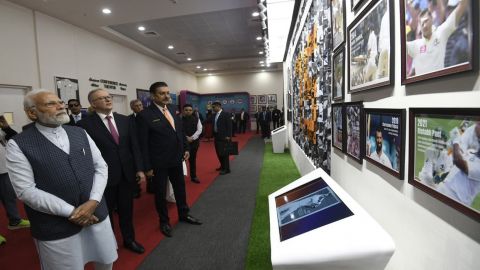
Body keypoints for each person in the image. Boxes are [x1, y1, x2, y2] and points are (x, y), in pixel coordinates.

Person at [6, 89, 117, 269]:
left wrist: (93, 201)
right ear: (32, 113)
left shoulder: (80, 133)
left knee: (105, 260)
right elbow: (25, 190)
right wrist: (72, 212)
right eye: (51, 104)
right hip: (56, 225)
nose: (61, 106)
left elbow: (100, 167)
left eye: (60, 102)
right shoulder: (18, 144)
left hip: (96, 214)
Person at [77, 89, 146, 254]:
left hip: (126, 174)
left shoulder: (125, 120)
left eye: (108, 97)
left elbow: (134, 146)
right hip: (102, 178)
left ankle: (129, 240)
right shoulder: (84, 125)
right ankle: (109, 242)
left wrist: (140, 169)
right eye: (101, 98)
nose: (107, 100)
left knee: (126, 210)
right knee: (105, 213)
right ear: (93, 104)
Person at [136, 81, 201, 238]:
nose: (166, 96)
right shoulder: (145, 115)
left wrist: (185, 148)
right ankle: (164, 221)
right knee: (160, 194)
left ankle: (184, 214)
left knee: (180, 189)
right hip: (158, 163)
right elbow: (142, 144)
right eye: (162, 93)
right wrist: (146, 167)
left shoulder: (173, 109)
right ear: (153, 96)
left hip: (176, 159)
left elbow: (179, 131)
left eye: (167, 93)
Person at [406, 0, 469, 77]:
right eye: (422, 23)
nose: (424, 25)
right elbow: (398, 46)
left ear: (432, 20)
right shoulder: (415, 45)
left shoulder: (441, 32)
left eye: (426, 21)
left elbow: (461, 8)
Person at [0, 115, 30, 245]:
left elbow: (15, 139)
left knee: (9, 196)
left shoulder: (1, 129)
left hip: (3, 169)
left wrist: (6, 128)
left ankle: (15, 221)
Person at [439, 121, 480, 207]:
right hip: (443, 189)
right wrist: (455, 140)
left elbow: (458, 161)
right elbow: (458, 153)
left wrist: (456, 141)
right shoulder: (472, 151)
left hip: (456, 201)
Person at [129, 99, 146, 197]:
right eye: (136, 106)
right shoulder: (128, 119)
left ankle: (151, 186)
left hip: (147, 147)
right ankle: (136, 189)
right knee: (135, 169)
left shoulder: (148, 117)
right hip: (134, 148)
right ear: (132, 108)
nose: (139, 107)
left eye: (140, 105)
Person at [182, 104, 203, 183]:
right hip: (183, 143)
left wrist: (192, 138)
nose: (188, 111)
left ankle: (193, 176)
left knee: (192, 160)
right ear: (183, 111)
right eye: (186, 110)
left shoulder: (197, 119)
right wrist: (186, 137)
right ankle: (181, 177)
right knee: (182, 161)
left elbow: (199, 129)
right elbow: (178, 130)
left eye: (190, 110)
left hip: (194, 143)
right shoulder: (179, 119)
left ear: (192, 111)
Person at [212, 101, 232, 175]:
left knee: (224, 153)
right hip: (216, 136)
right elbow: (207, 121)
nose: (213, 108)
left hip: (224, 137)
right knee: (218, 153)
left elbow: (229, 126)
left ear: (218, 106)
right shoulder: (214, 115)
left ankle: (227, 169)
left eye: (214, 107)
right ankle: (222, 166)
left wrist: (228, 136)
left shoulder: (226, 114)